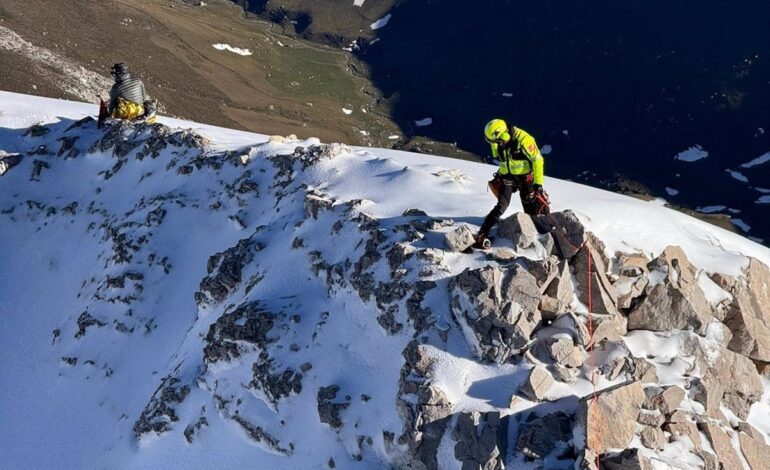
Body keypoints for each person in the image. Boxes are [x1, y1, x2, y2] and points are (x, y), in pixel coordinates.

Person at [475, 118, 549, 248]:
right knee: (502, 205)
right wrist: (495, 144)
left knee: (530, 207)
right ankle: (483, 232)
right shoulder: (498, 138)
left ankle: (539, 237)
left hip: (525, 178)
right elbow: (497, 154)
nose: (496, 143)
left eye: (496, 141)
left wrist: (538, 184)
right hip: (507, 176)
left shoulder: (524, 140)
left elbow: (538, 160)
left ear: (503, 134)